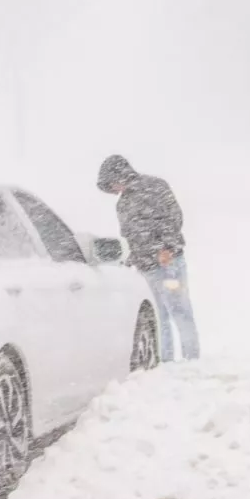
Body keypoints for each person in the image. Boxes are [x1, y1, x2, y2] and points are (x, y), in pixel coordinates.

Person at [97, 154, 199, 361]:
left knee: (180, 311)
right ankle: (165, 361)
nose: (113, 189)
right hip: (145, 267)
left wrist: (167, 247)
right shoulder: (123, 203)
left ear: (121, 174)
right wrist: (128, 259)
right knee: (158, 316)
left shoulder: (155, 186)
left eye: (112, 183)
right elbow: (131, 236)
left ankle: (191, 360)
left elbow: (173, 217)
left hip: (168, 263)